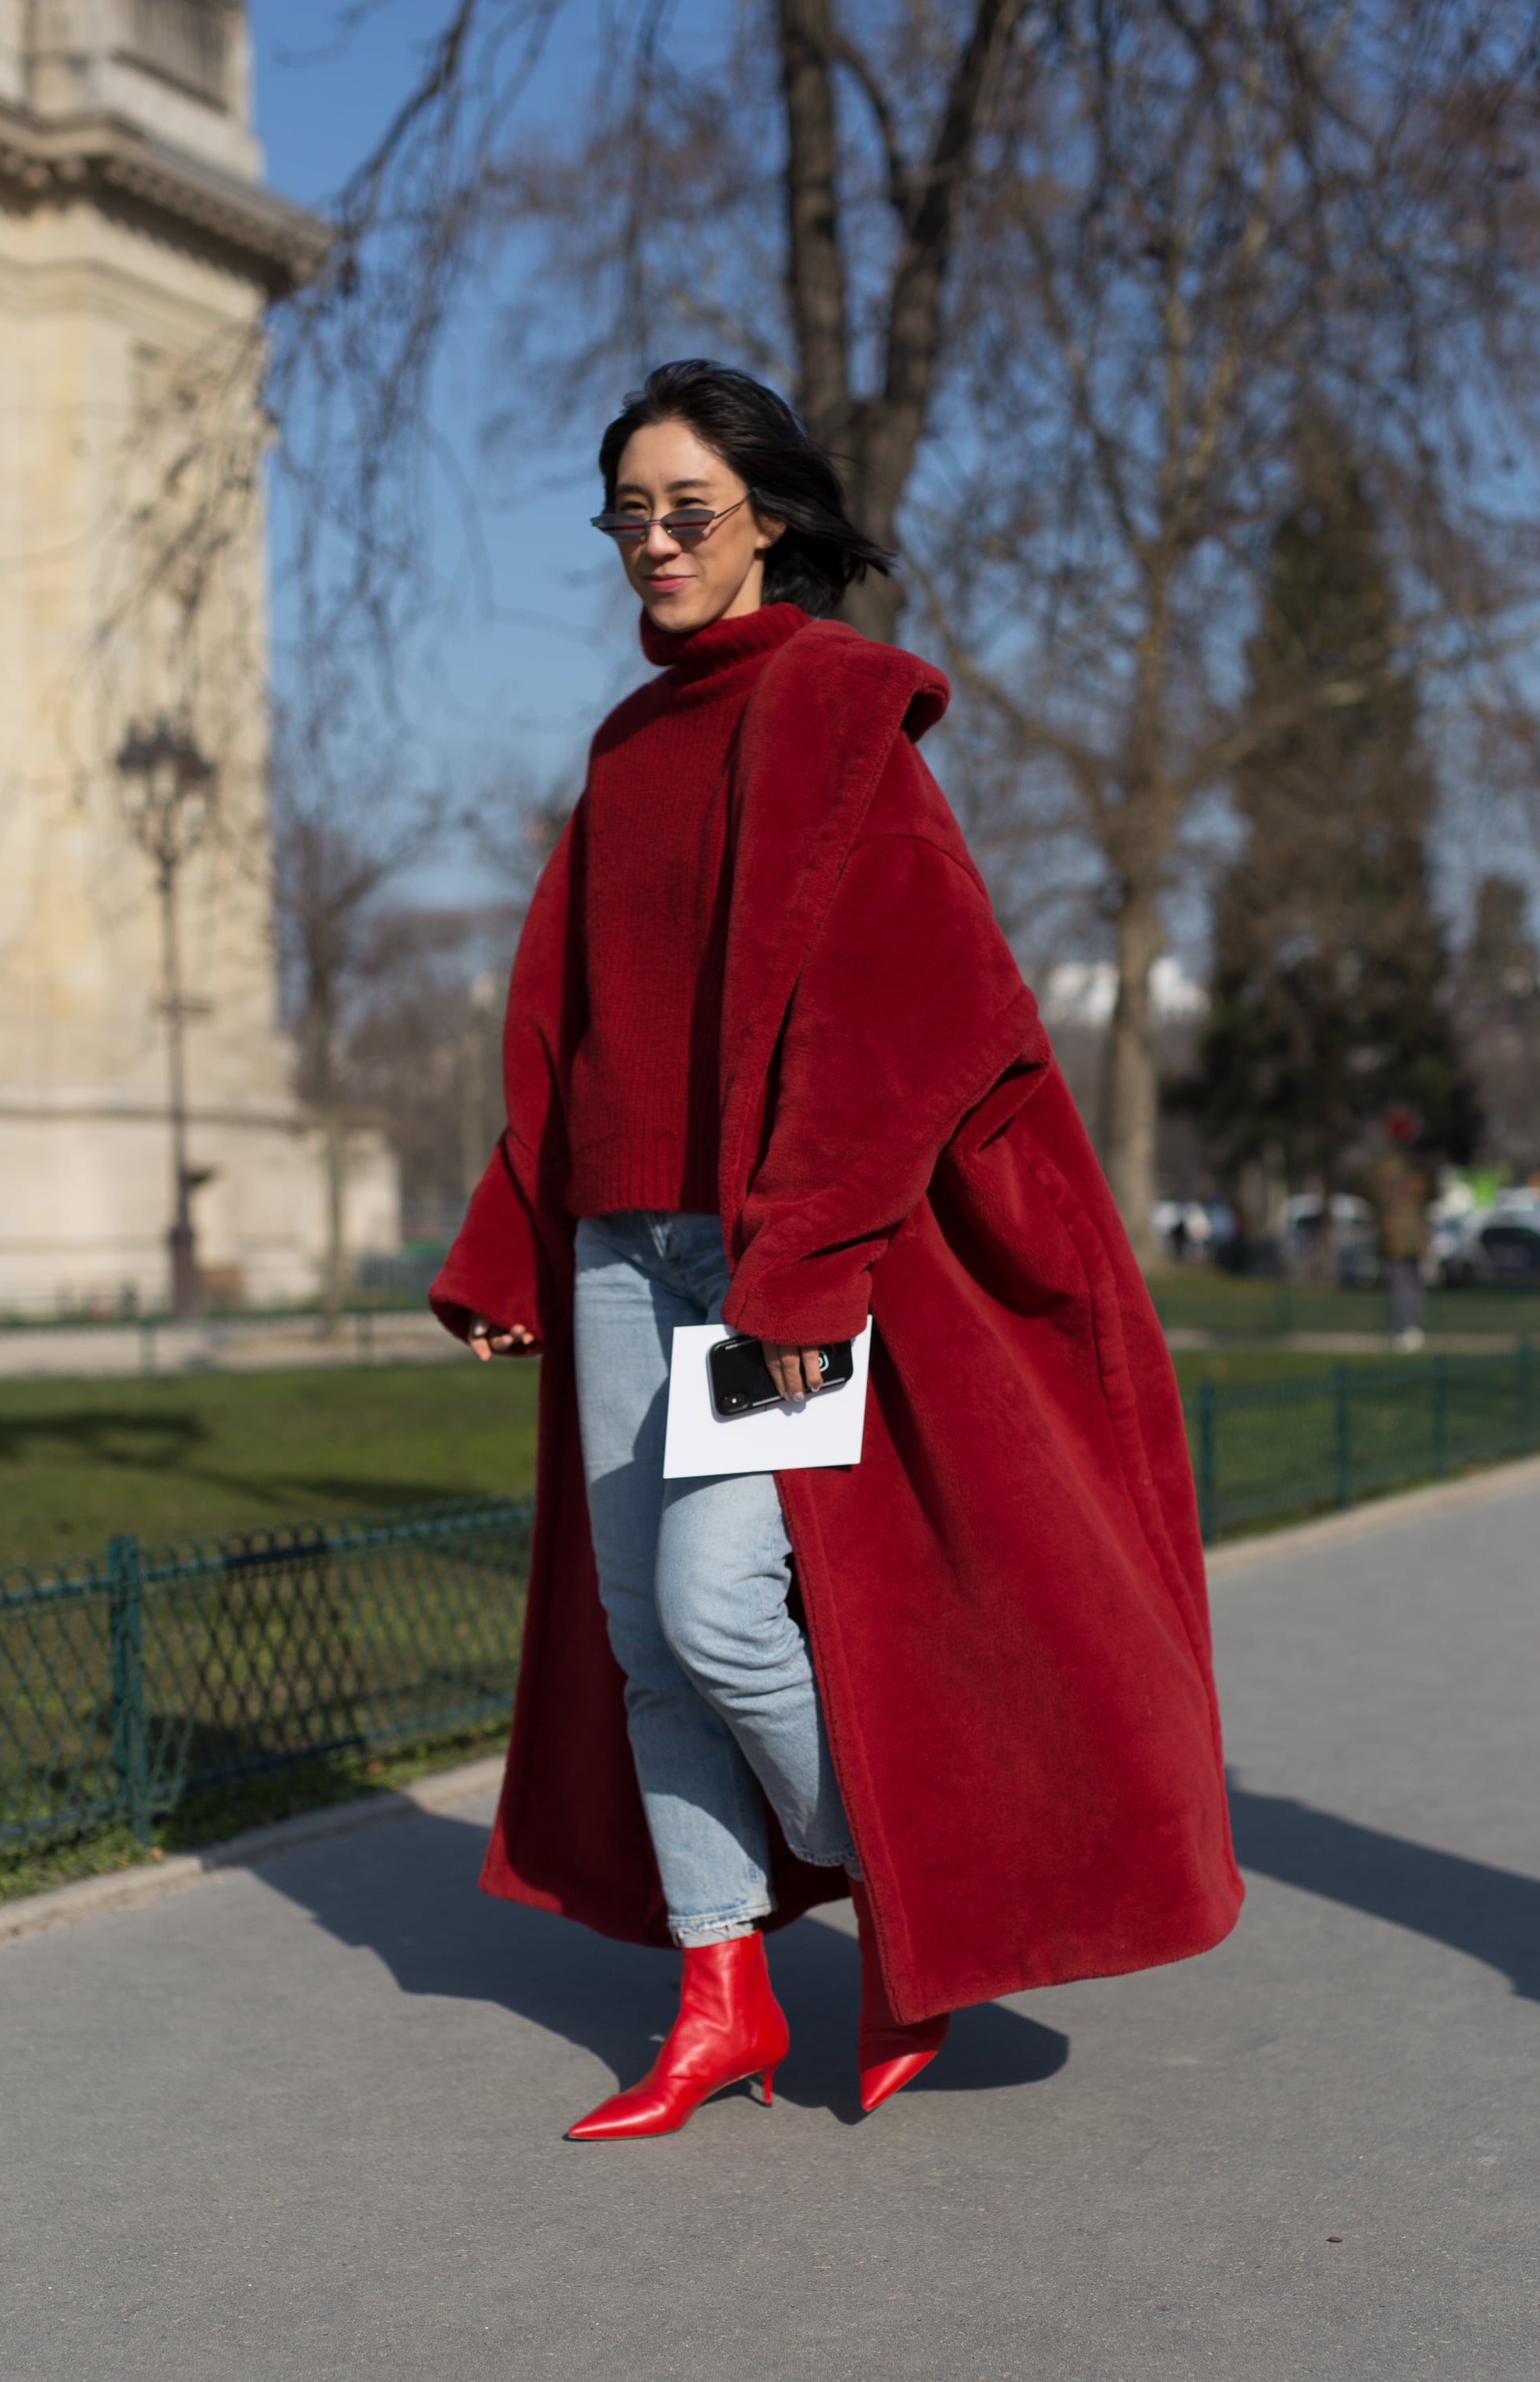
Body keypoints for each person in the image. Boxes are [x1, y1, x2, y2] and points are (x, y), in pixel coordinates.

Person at [431, 360, 1242, 2141]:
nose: (652, 542)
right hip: (619, 1250)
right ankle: (720, 1995)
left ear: (768, 520)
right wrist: (510, 1245)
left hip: (760, 1257)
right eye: (627, 514)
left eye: (686, 510)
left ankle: (924, 1903)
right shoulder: (626, 744)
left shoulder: (839, 707)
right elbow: (567, 1023)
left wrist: (803, 1271)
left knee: (725, 1611)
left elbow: (919, 1014)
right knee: (646, 1634)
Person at [1369, 1110, 1432, 1351]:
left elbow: (1372, 1192)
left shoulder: (1387, 1166)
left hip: (1397, 1233)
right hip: (1413, 1233)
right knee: (1412, 1283)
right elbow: (1430, 1192)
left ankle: (1406, 1328)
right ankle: (1412, 1327)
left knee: (1402, 1283)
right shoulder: (1417, 1165)